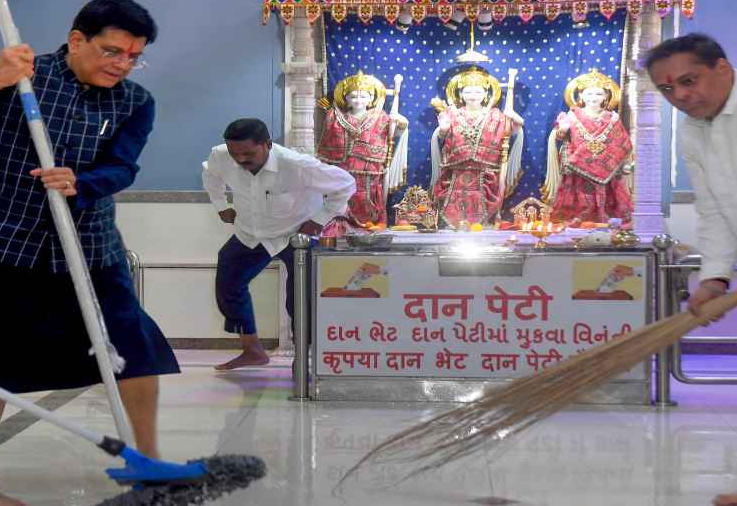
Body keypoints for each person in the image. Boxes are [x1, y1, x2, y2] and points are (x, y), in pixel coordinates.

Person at [0, 0, 179, 506]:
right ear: (76, 39)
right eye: (112, 51)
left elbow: (122, 168)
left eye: (133, 56)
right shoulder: (15, 74)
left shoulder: (134, 102)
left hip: (87, 245)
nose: (121, 64)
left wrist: (80, 182)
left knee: (136, 349)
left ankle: (146, 461)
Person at [645, 33, 737, 506]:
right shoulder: (694, 131)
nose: (681, 96)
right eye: (668, 90)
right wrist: (714, 277)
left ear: (723, 68)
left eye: (689, 81)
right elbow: (715, 210)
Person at [202, 118, 355, 371]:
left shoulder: (297, 165)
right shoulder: (220, 156)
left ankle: (304, 361)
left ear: (268, 145)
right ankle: (252, 350)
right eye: (234, 153)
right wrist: (221, 206)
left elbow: (346, 184)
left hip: (294, 235)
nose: (240, 159)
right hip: (251, 233)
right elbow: (211, 176)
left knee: (300, 298)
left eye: (248, 154)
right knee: (228, 282)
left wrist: (318, 221)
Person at [429, 67, 524, 227]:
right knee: (453, 214)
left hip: (486, 174)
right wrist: (443, 129)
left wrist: (514, 116)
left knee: (483, 219)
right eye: (468, 92)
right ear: (460, 94)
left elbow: (513, 128)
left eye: (478, 92)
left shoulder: (496, 115)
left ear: (486, 94)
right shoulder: (452, 113)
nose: (473, 96)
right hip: (456, 173)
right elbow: (441, 136)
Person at [315, 71, 408, 230]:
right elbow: (327, 144)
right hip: (342, 168)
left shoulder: (380, 116)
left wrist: (401, 122)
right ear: (346, 98)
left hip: (370, 170)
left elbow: (394, 132)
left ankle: (370, 224)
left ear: (371, 99)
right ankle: (340, 225)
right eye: (353, 96)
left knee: (368, 199)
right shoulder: (334, 116)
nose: (358, 100)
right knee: (341, 199)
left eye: (363, 96)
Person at [542, 69, 634, 225]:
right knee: (579, 200)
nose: (594, 98)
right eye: (589, 94)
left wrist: (623, 163)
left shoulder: (612, 118)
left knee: (610, 201)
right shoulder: (571, 116)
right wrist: (562, 129)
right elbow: (560, 137)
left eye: (598, 94)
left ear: (605, 97)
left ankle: (607, 221)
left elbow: (622, 142)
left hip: (607, 169)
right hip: (579, 169)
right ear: (582, 96)